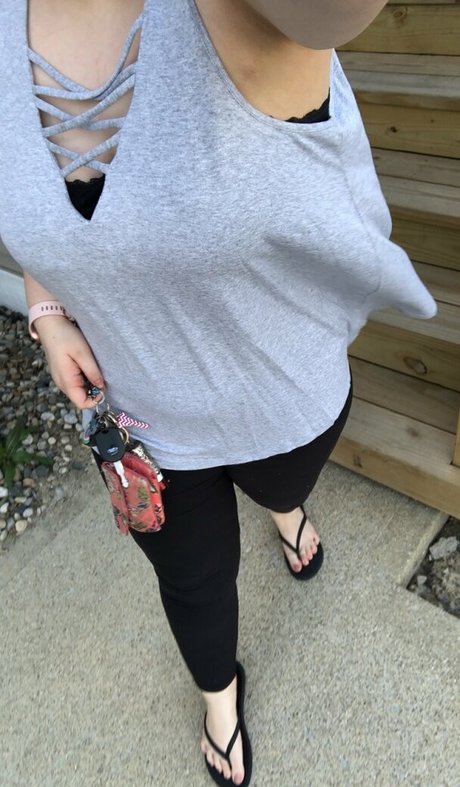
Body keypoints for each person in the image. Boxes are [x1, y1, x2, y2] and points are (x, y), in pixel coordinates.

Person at [0, 1, 437, 784]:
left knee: (282, 486)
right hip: (140, 421)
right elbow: (33, 205)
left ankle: (285, 509)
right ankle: (219, 699)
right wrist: (49, 311)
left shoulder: (239, 14)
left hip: (280, 402)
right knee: (192, 582)